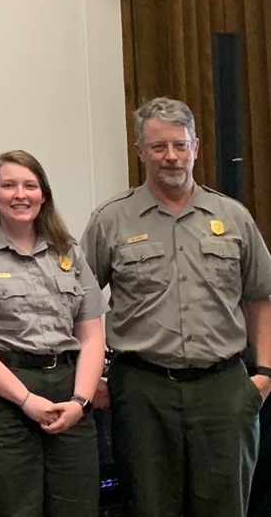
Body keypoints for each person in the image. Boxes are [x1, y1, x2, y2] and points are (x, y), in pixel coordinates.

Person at [82, 97, 271, 517]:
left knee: (225, 507)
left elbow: (261, 295)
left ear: (196, 147)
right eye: (159, 147)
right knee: (150, 506)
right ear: (140, 152)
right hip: (144, 391)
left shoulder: (233, 216)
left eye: (180, 145)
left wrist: (265, 374)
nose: (171, 157)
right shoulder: (110, 220)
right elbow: (80, 305)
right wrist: (91, 378)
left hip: (223, 388)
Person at [0, 150, 106, 517]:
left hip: (68, 392)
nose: (20, 194)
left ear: (44, 194)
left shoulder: (68, 251)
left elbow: (91, 336)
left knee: (79, 508)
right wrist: (25, 400)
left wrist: (80, 402)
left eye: (30, 185)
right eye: (8, 185)